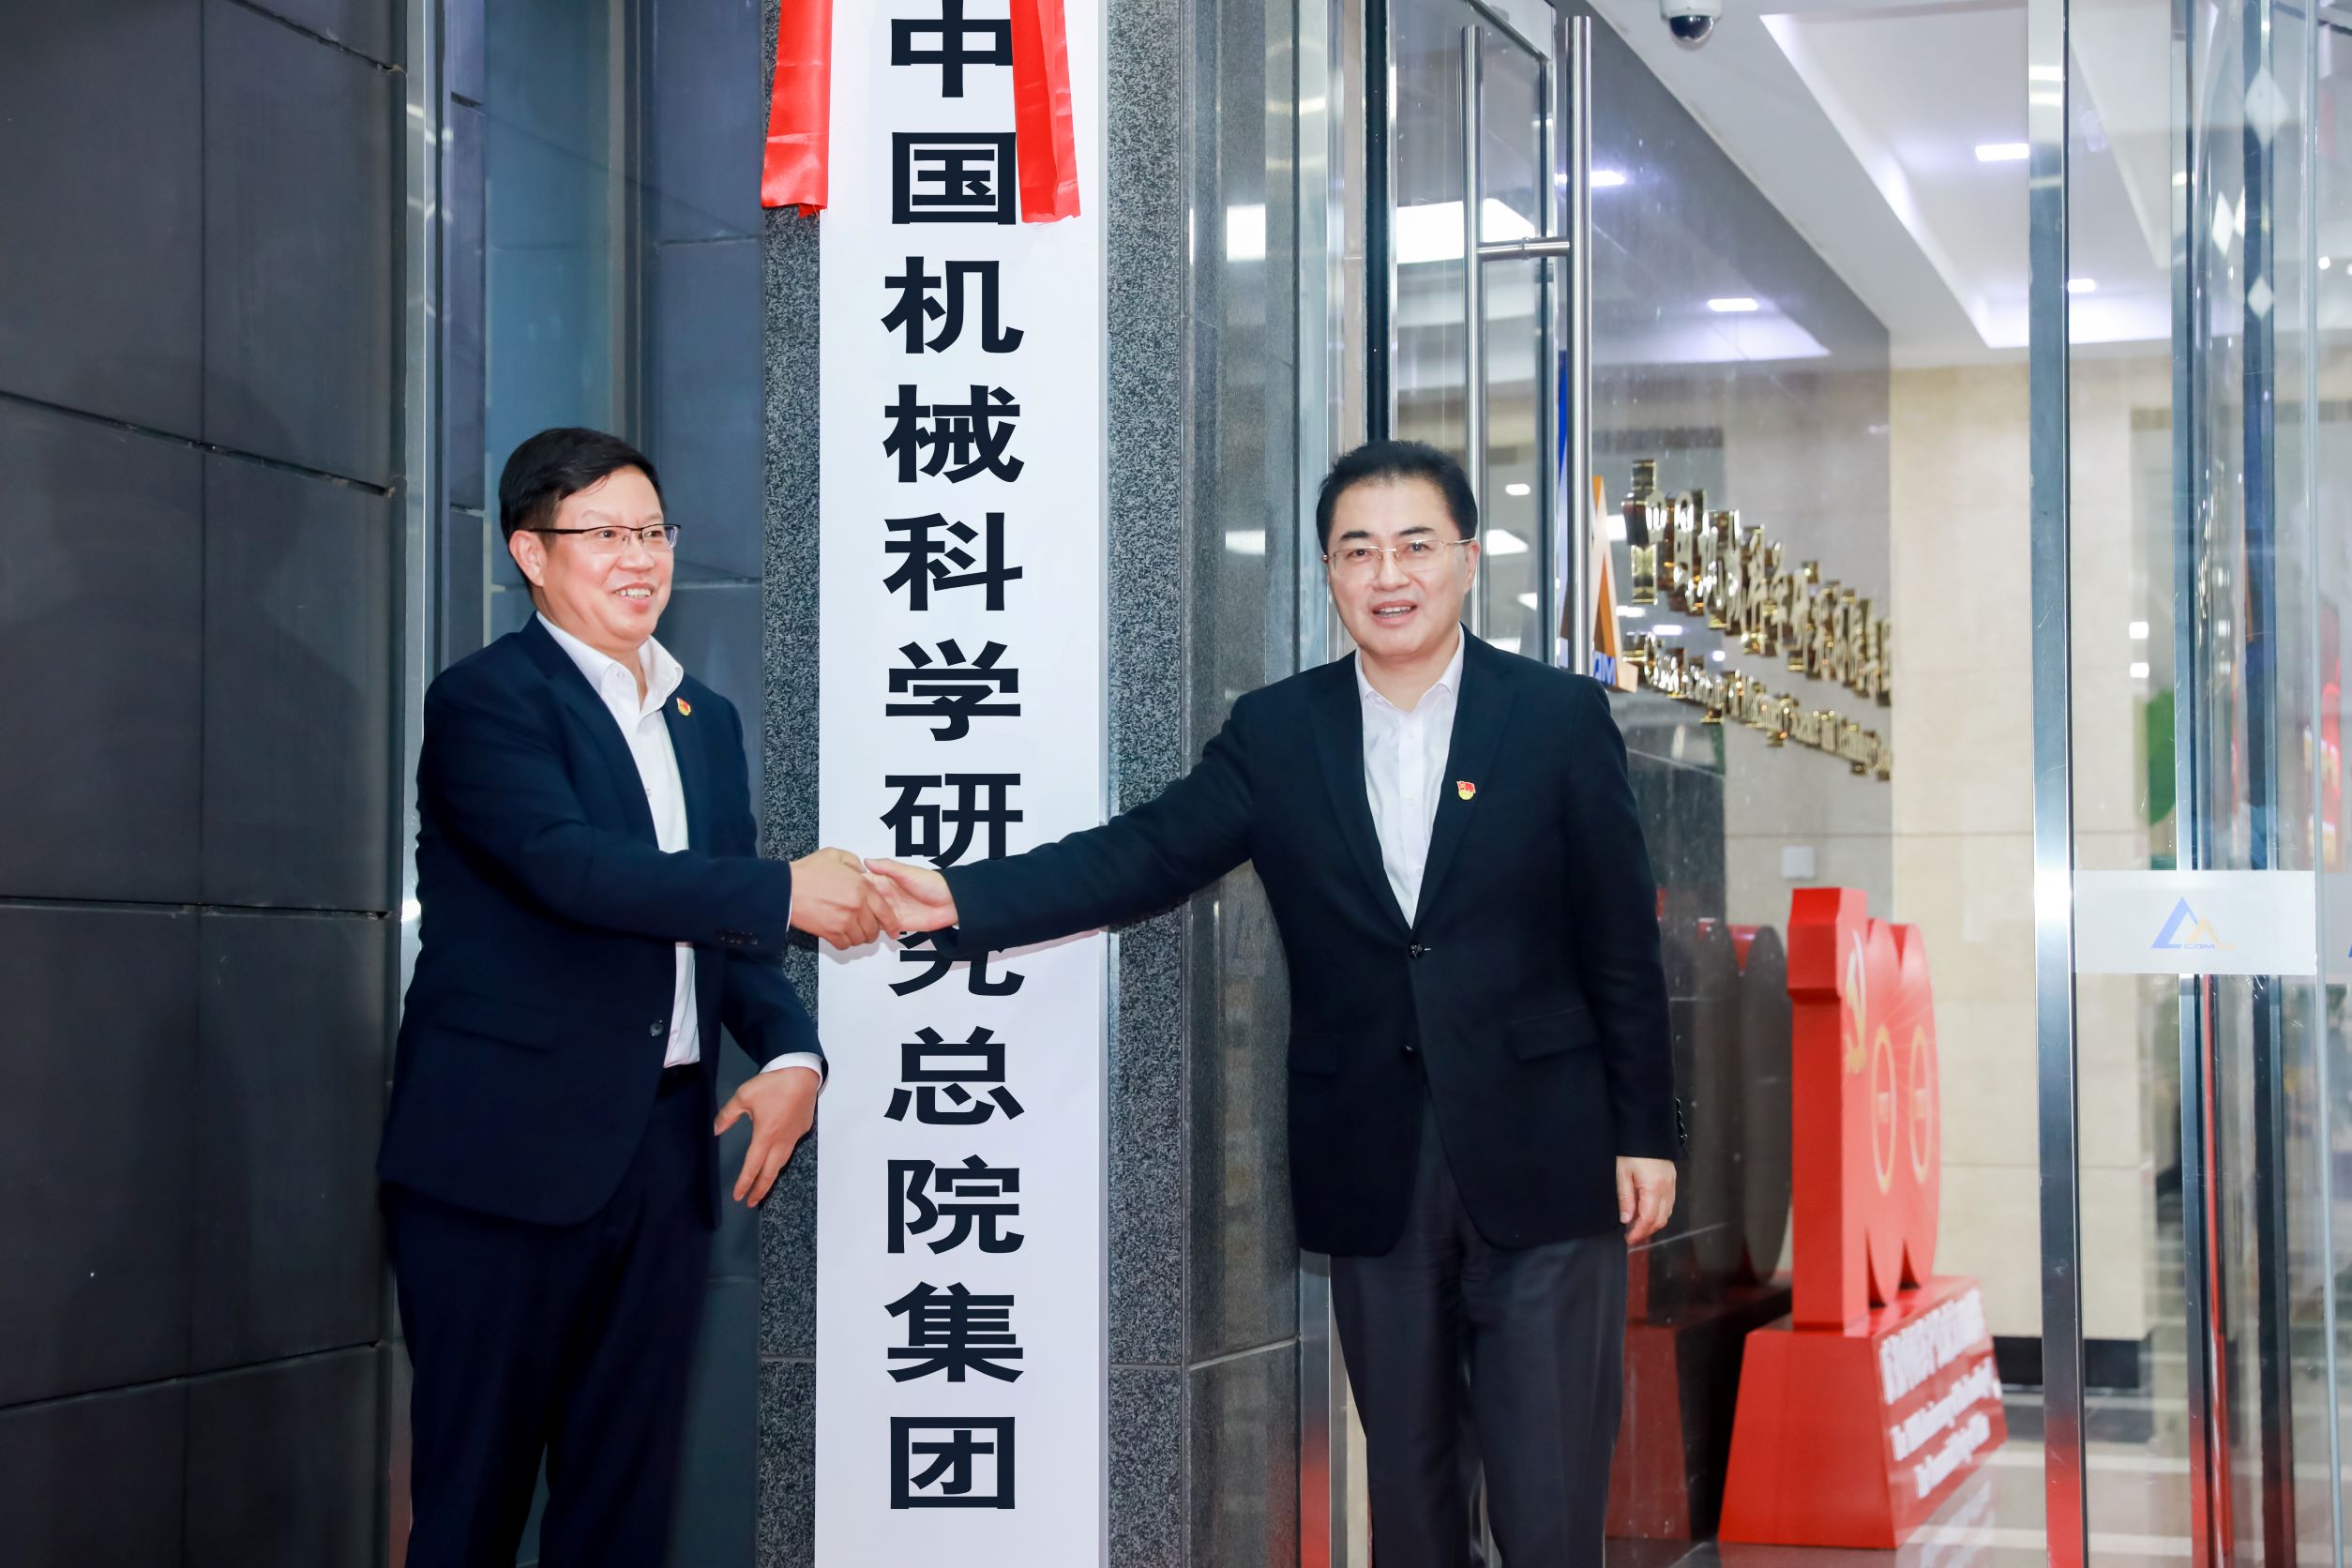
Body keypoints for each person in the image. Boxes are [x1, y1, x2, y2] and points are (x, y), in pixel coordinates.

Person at [870, 439, 1681, 1565]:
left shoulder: (1555, 717)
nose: (1388, 575)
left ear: (1464, 560)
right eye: (1359, 550)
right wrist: (964, 897)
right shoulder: (1280, 731)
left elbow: (1620, 944)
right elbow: (1145, 852)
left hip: (1547, 1152)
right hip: (1374, 1161)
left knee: (1548, 1499)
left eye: (1415, 546)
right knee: (1408, 1496)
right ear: (1328, 572)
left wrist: (1647, 1132)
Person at [377, 428, 890, 1567]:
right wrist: (785, 890)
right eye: (604, 534)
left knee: (625, 1507)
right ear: (531, 552)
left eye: (653, 532)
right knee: (471, 1502)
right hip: (500, 1166)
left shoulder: (704, 720)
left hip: (660, 1159)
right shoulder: (486, 701)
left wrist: (793, 1055)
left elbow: (724, 931)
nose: (639, 558)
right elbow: (568, 867)